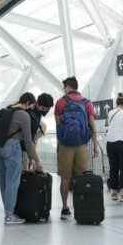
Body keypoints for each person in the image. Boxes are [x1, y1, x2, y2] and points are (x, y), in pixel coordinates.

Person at [55, 76, 99, 221]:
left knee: (65, 178)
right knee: (81, 178)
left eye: (64, 87)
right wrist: (95, 145)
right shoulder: (86, 103)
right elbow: (92, 125)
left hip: (65, 145)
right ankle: (81, 206)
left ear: (68, 87)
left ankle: (65, 208)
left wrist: (60, 144)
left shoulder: (61, 102)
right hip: (81, 144)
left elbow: (58, 125)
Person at [0, 93, 43, 225]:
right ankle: (9, 216)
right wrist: (37, 160)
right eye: (31, 106)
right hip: (12, 148)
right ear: (27, 103)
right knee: (12, 182)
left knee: (3, 182)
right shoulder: (23, 115)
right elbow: (28, 142)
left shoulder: (7, 109)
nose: (31, 109)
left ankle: (8, 212)